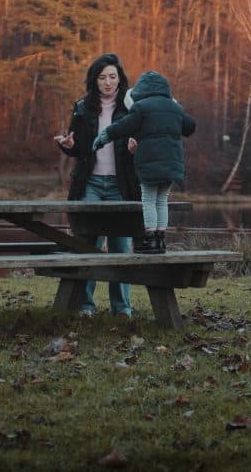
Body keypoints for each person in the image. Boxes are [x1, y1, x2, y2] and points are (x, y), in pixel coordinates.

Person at [53, 53, 140, 317]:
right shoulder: (82, 107)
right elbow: (78, 148)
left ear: (120, 79)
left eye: (112, 76)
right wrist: (68, 146)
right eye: (102, 77)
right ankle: (84, 305)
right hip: (89, 183)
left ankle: (122, 309)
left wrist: (137, 149)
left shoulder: (131, 107)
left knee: (120, 247)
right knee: (86, 243)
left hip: (120, 185)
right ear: (95, 80)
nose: (108, 82)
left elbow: (142, 142)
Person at [93, 70, 196, 254]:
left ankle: (149, 240)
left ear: (140, 89)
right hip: (172, 165)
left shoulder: (140, 108)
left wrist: (104, 136)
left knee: (148, 200)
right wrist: (174, 106)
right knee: (162, 200)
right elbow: (190, 127)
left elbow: (122, 127)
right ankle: (161, 241)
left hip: (149, 165)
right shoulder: (174, 108)